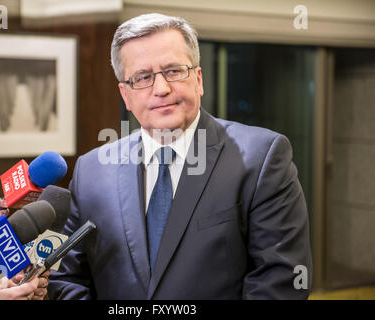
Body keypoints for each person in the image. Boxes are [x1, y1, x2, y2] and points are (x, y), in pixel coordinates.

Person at [48, 13, 312, 299]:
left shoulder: (261, 158)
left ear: (198, 79)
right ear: (125, 95)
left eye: (173, 71)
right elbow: (68, 280)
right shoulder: (92, 170)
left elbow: (281, 282)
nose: (161, 89)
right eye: (143, 77)